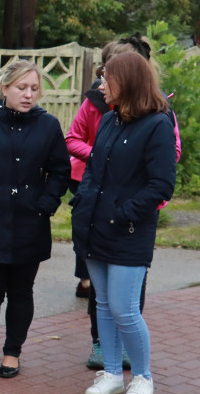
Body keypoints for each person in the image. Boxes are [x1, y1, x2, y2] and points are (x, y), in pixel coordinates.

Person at [66, 35, 181, 371]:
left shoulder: (158, 123)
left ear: (127, 82)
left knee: (125, 309)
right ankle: (112, 374)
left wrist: (121, 213)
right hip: (96, 225)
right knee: (102, 304)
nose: (100, 85)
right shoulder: (111, 119)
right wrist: (84, 207)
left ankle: (143, 377)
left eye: (106, 78)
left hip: (128, 229)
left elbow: (162, 184)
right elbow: (93, 170)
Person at [0, 60, 70, 378]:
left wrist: (45, 204)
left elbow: (60, 170)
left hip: (29, 221)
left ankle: (13, 351)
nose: (28, 94)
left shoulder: (48, 126)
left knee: (22, 291)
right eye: (22, 87)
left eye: (34, 88)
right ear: (4, 88)